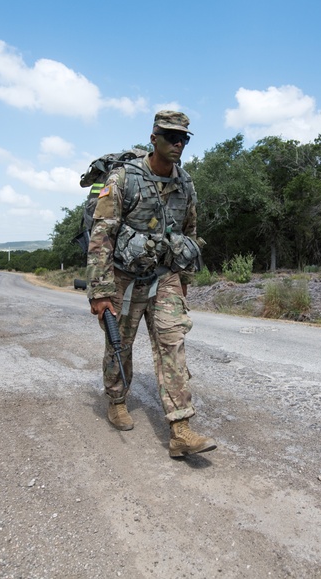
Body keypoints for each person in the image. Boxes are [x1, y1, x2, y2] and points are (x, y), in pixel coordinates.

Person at [87, 110, 217, 458]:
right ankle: (116, 400)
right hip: (124, 278)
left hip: (166, 276)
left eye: (184, 139)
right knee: (121, 344)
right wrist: (99, 292)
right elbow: (102, 235)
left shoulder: (185, 184)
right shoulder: (123, 178)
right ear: (153, 137)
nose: (178, 143)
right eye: (171, 136)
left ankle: (181, 429)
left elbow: (190, 233)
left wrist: (185, 278)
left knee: (172, 342)